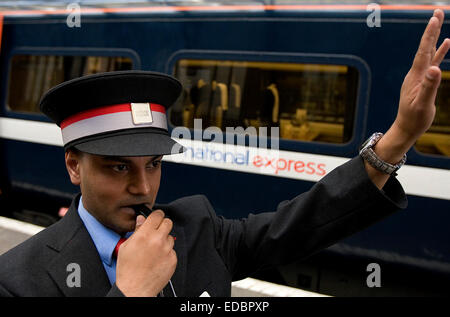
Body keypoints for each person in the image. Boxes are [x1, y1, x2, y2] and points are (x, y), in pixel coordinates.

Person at [0, 10, 448, 297]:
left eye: (154, 164)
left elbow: (301, 224)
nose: (142, 187)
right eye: (118, 167)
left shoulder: (196, 230)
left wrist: (400, 136)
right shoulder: (19, 279)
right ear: (73, 166)